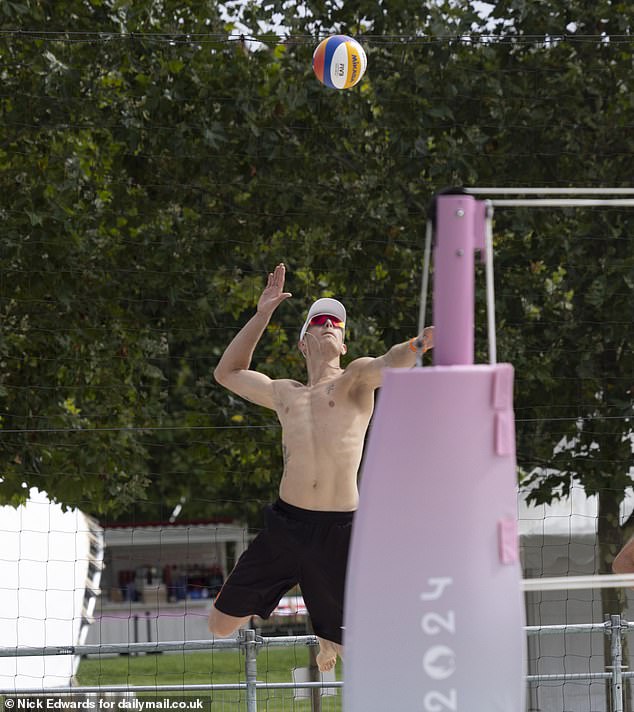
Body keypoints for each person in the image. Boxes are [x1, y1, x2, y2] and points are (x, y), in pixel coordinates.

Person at [208, 263, 433, 671]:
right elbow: (227, 373)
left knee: (361, 654)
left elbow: (391, 361)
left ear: (344, 345)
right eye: (320, 320)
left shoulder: (355, 379)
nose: (330, 324)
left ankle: (330, 638)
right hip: (286, 525)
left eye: (337, 324)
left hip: (339, 530)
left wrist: (418, 345)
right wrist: (263, 314)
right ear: (303, 342)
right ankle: (326, 635)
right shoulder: (285, 394)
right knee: (220, 625)